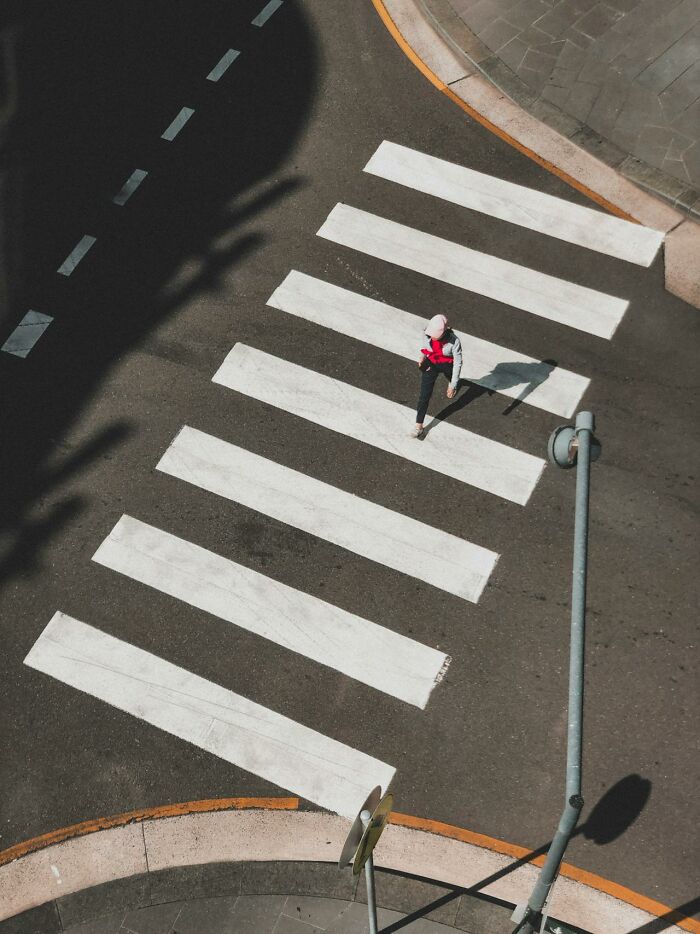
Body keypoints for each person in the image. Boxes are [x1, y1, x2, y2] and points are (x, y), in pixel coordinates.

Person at [412, 314, 462, 438]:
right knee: (424, 395)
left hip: (447, 365)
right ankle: (419, 425)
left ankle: (453, 384)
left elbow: (458, 363)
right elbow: (425, 346)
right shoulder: (426, 333)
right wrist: (422, 357)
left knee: (452, 378)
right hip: (431, 364)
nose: (432, 336)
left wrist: (453, 384)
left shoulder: (454, 341)